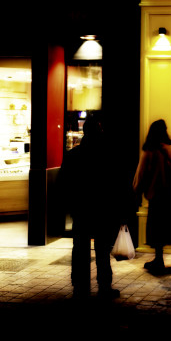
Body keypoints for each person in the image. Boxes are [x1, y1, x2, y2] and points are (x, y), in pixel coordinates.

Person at [60, 114, 125, 299]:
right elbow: (115, 184)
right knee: (103, 251)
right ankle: (104, 286)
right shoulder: (108, 155)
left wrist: (70, 206)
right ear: (100, 131)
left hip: (81, 210)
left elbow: (65, 183)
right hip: (103, 210)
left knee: (80, 249)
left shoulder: (73, 155)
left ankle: (79, 286)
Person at [133, 119, 171, 273]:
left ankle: (159, 259)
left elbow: (141, 174)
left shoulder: (148, 151)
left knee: (157, 229)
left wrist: (136, 189)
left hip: (156, 197)